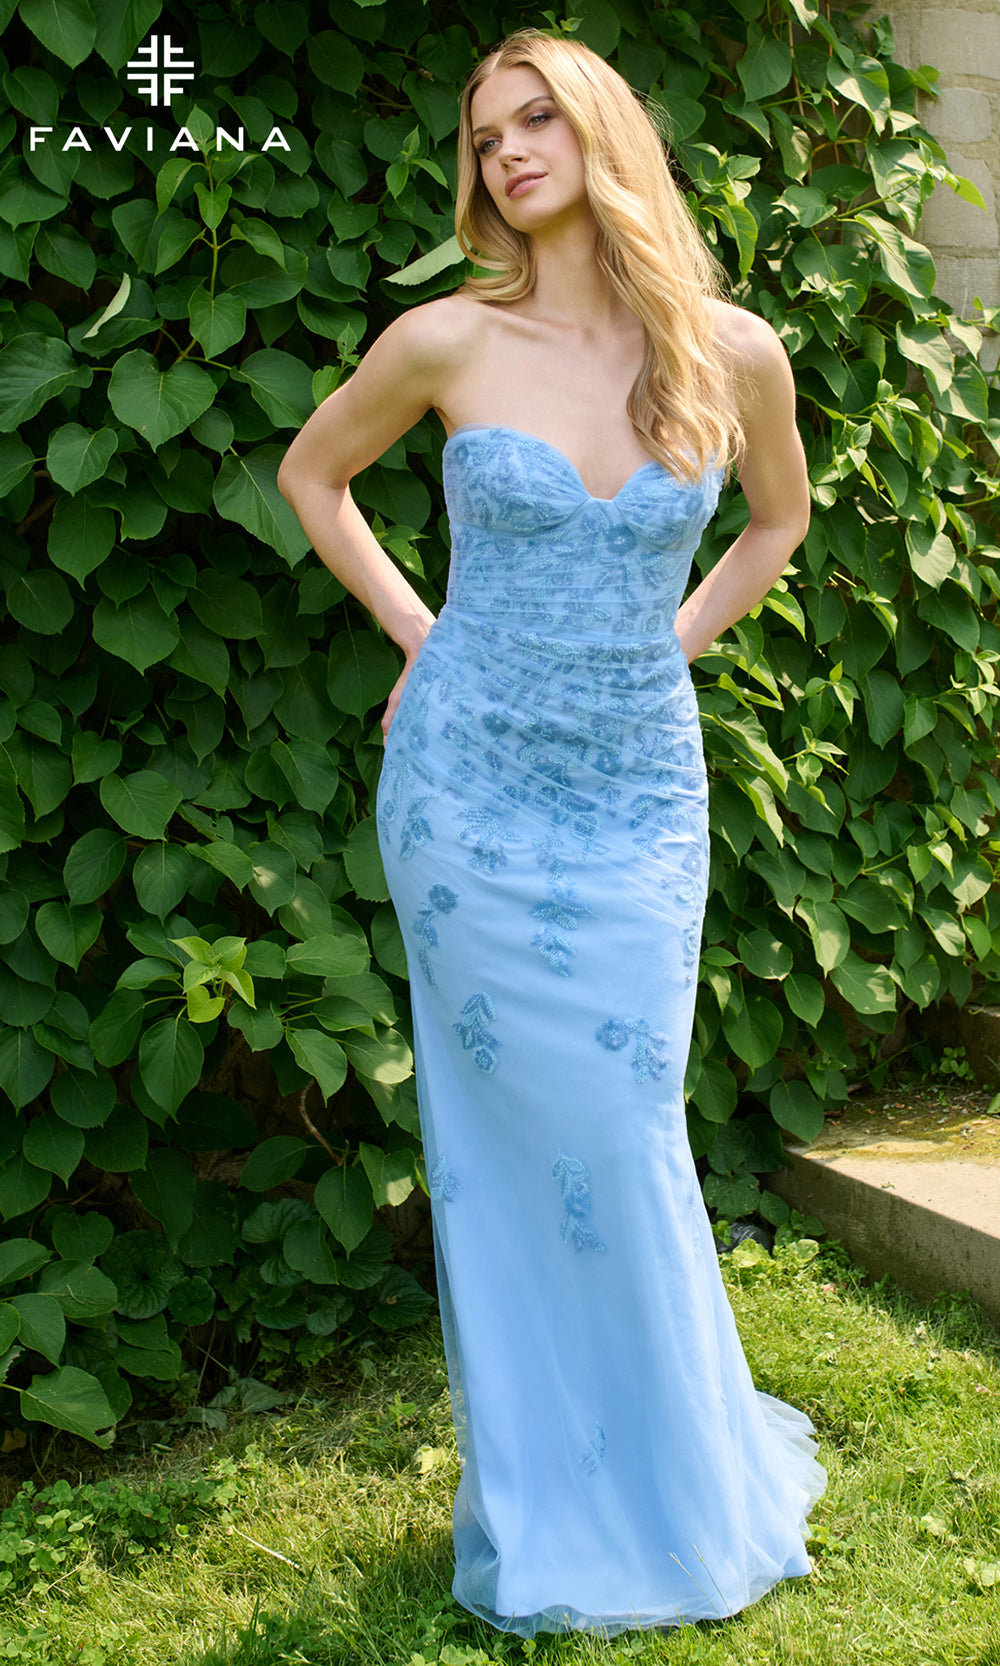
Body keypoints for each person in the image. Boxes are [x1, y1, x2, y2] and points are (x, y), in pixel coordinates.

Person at [278, 28, 825, 1639]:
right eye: (484, 134)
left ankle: (678, 1482)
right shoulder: (444, 339)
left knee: (626, 1124)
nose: (507, 150)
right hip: (466, 796)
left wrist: (677, 638)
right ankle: (552, 1496)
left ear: (598, 130)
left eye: (535, 118)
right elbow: (316, 477)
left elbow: (780, 518)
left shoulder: (733, 352)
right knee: (511, 1154)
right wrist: (424, 636)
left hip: (637, 791)